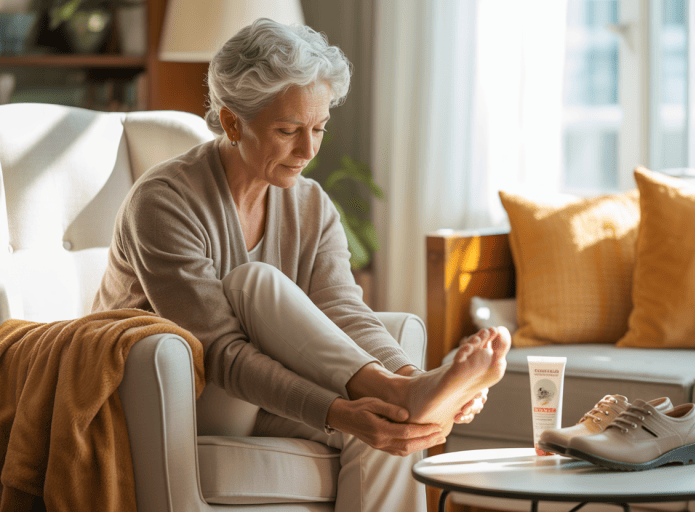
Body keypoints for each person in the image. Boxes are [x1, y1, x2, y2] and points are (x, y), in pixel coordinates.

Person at [92, 18, 511, 512]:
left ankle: (402, 390)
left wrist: (403, 375)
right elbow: (220, 353)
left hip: (259, 396)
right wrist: (341, 410)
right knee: (254, 282)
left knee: (387, 427)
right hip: (169, 400)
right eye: (288, 130)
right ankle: (400, 391)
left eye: (318, 128)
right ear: (231, 123)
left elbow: (344, 310)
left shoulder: (311, 204)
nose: (309, 150)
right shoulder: (164, 202)